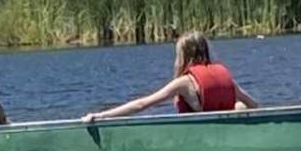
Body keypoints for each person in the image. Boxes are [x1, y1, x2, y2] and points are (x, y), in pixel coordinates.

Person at [83, 31, 259, 121]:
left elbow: (142, 104)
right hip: (223, 132)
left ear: (183, 56)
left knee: (239, 106)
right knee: (240, 106)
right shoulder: (227, 79)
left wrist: (101, 116)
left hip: (200, 137)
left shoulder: (183, 83)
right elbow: (254, 105)